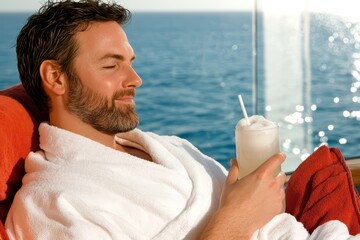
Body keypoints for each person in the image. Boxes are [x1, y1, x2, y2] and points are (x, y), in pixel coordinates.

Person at [4, 1, 357, 239]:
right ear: (56, 78)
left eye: (130, 62)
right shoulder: (52, 204)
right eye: (112, 65)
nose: (135, 79)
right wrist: (233, 223)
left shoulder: (167, 147)